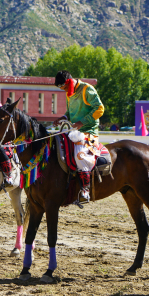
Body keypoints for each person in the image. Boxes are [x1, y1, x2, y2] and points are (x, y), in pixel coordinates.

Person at [54, 70, 105, 204]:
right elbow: (70, 112)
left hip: (89, 131)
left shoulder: (87, 89)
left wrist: (82, 122)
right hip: (74, 131)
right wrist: (63, 117)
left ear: (68, 82)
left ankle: (85, 190)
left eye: (63, 87)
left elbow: (100, 109)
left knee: (79, 155)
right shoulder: (69, 92)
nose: (63, 90)